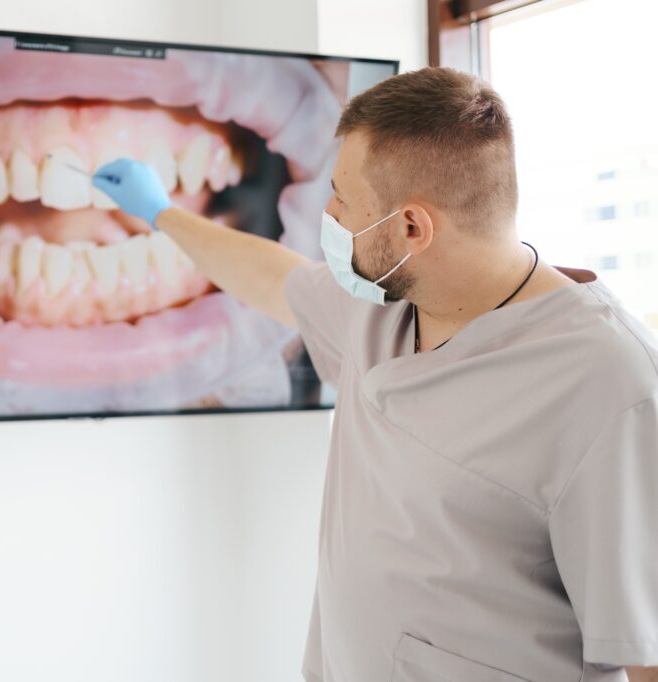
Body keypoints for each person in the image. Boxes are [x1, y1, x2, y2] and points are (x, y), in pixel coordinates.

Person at [91, 67, 658, 682]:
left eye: (340, 198)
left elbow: (646, 650)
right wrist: (159, 213)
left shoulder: (609, 383)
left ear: (412, 228)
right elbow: (271, 277)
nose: (327, 216)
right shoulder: (383, 304)